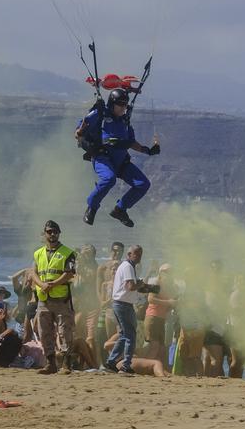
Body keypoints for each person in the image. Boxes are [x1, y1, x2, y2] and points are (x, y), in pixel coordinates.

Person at [77, 88, 161, 228]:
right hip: (102, 157)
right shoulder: (100, 114)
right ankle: (92, 207)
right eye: (120, 105)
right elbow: (79, 132)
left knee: (143, 184)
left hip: (120, 161)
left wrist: (148, 151)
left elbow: (131, 142)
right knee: (109, 179)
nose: (123, 108)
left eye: (125, 105)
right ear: (112, 103)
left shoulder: (125, 121)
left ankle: (120, 210)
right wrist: (79, 132)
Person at [32, 220, 76, 375]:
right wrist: (42, 285)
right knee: (44, 332)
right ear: (44, 234)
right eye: (49, 231)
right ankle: (50, 363)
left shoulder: (68, 252)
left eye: (55, 231)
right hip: (43, 298)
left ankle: (66, 364)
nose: (52, 234)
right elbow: (34, 273)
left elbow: (69, 273)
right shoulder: (38, 253)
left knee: (65, 332)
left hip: (61, 299)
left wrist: (53, 284)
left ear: (59, 233)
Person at [106, 243, 151, 374]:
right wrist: (141, 283)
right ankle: (126, 365)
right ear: (129, 254)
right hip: (123, 305)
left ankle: (111, 362)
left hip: (122, 304)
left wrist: (145, 287)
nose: (138, 256)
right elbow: (130, 286)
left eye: (140, 254)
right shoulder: (127, 266)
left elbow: (131, 287)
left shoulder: (127, 266)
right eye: (136, 253)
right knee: (130, 335)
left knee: (123, 335)